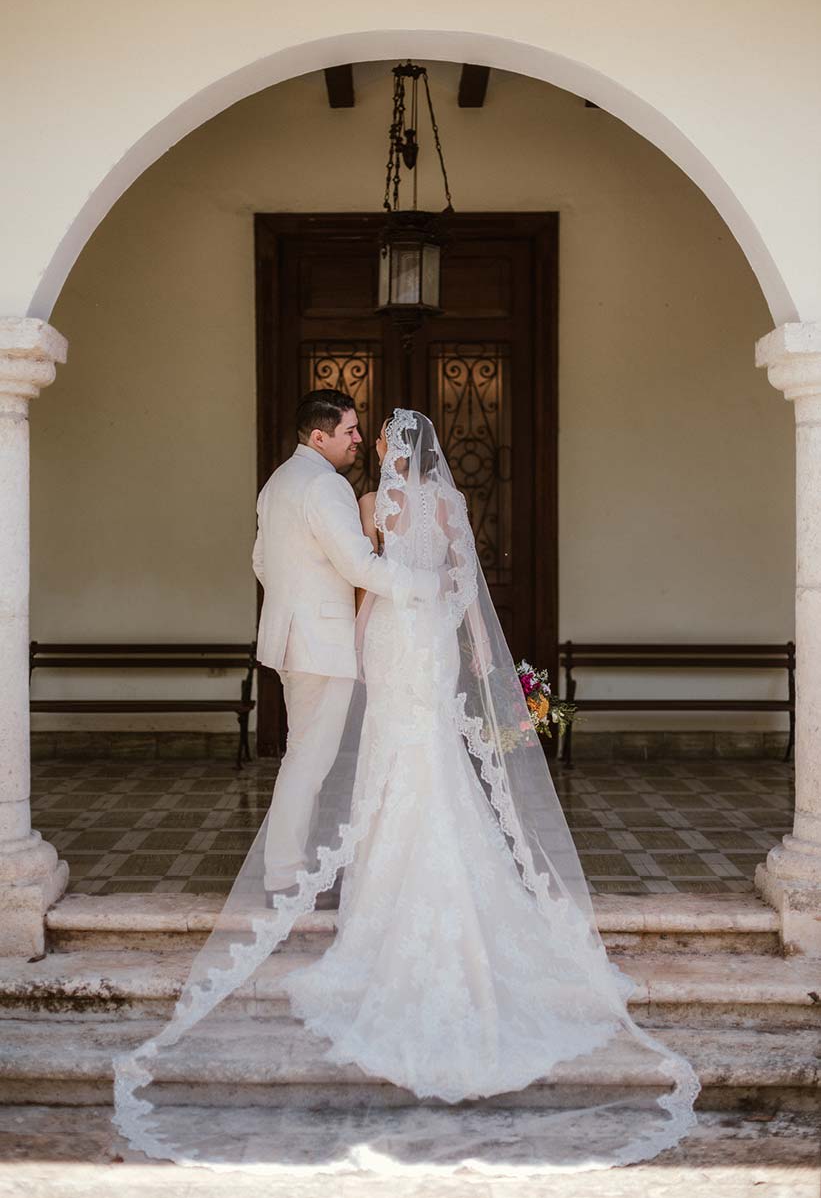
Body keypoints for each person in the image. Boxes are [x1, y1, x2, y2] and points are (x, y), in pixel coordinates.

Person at [112, 408, 701, 1177]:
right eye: (358, 432)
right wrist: (444, 619)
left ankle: (347, 880)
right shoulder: (417, 501)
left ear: (396, 448)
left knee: (380, 758)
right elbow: (452, 580)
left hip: (388, 635)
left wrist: (372, 625)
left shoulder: (357, 500)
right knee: (416, 758)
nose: (369, 443)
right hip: (412, 636)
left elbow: (306, 569)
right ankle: (384, 871)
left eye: (378, 436)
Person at [251, 389, 437, 895]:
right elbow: (358, 565)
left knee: (303, 754)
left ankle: (289, 867)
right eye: (349, 431)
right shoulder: (326, 486)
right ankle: (285, 874)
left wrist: (298, 604)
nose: (358, 439)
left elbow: (262, 565)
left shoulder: (278, 483)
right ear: (319, 436)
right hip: (320, 642)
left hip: (291, 638)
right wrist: (424, 587)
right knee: (308, 759)